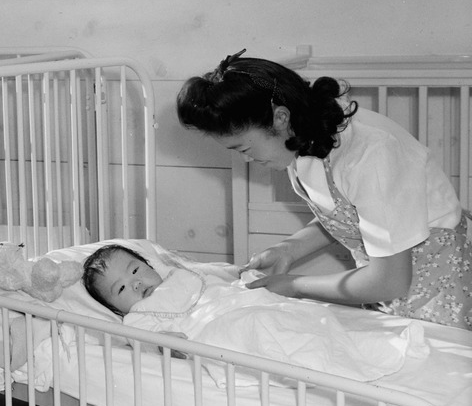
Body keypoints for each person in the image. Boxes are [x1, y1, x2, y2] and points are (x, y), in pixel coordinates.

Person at [176, 50, 472, 330]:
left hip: (441, 295)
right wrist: (289, 249)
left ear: (280, 117)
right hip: (391, 293)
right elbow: (352, 216)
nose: (245, 159)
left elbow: (391, 280)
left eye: (244, 147)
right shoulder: (300, 141)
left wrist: (296, 285)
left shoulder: (370, 155)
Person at [81, 242, 425, 382]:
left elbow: (227, 283)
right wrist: (164, 346)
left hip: (240, 304)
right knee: (255, 326)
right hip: (217, 331)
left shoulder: (181, 276)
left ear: (149, 264)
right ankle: (322, 370)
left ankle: (339, 355)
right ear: (116, 307)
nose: (136, 284)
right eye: (122, 289)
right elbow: (145, 343)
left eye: (136, 271)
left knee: (303, 315)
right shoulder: (138, 319)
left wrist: (244, 278)